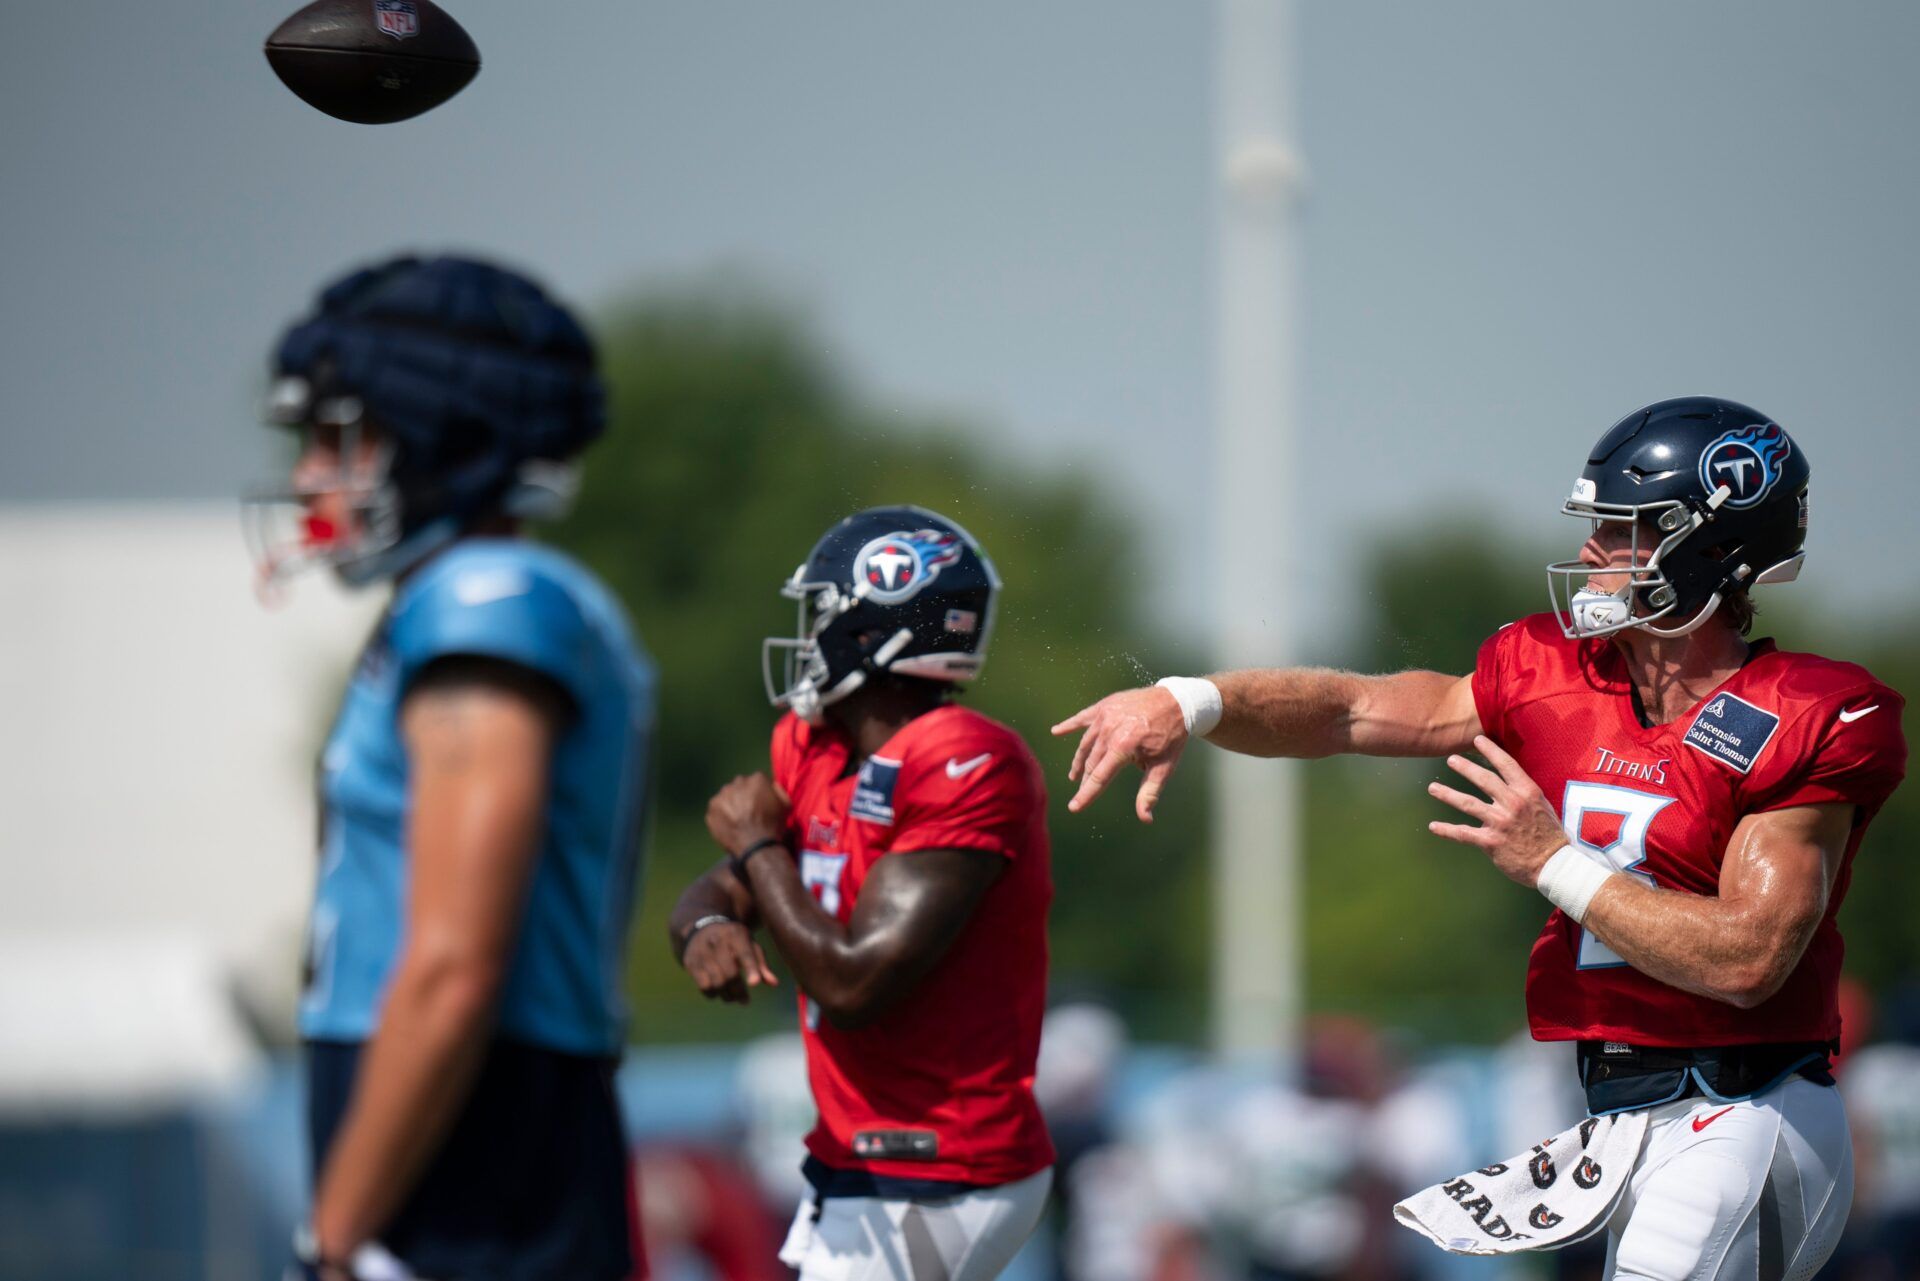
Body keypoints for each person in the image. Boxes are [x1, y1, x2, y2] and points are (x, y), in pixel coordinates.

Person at [1055, 397, 1907, 1279]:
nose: (1590, 552)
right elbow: (1351, 709)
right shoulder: (1554, 672)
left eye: (1619, 531)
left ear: (1703, 547)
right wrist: (1191, 702)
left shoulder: (1807, 710)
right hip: (1621, 1110)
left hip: (1747, 1104)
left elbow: (1749, 958)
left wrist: (1556, 864)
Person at [246, 255, 655, 1281]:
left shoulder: (488, 600)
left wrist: (332, 1241)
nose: (308, 475)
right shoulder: (457, 605)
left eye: (337, 437)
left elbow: (455, 968)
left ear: (445, 443)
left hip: (485, 1178)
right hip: (476, 1161)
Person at [667, 506, 1055, 1281]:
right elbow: (723, 889)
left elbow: (853, 982)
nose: (809, 636)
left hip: (944, 1159)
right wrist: (710, 921)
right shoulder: (813, 747)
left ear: (872, 629)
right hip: (865, 1148)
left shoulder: (965, 759)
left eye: (822, 614)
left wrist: (754, 845)